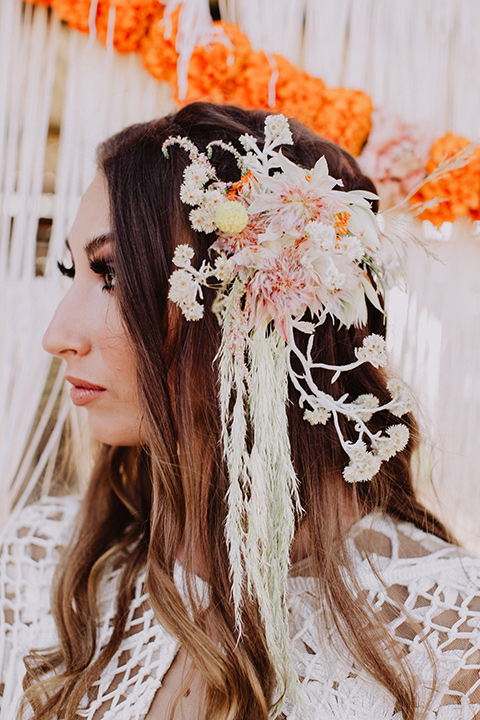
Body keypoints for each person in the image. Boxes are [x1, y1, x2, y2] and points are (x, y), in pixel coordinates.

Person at [1, 101, 479, 720]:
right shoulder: (41, 563)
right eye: (72, 270)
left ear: (260, 309)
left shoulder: (446, 630)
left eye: (113, 273)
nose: (58, 334)